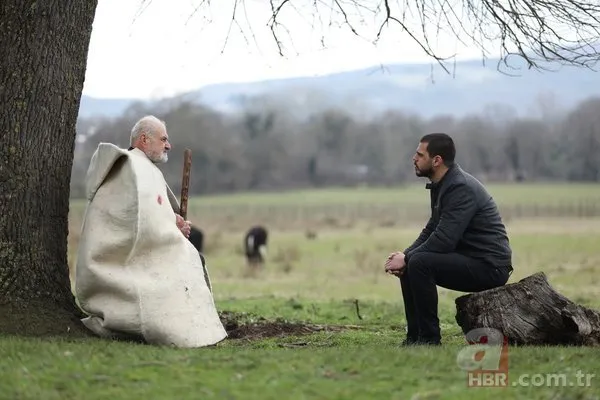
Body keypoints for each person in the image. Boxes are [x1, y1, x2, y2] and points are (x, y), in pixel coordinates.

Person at [74, 115, 227, 348]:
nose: (168, 145)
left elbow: (150, 211)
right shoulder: (132, 167)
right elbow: (132, 219)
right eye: (163, 139)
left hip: (139, 252)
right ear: (144, 139)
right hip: (119, 261)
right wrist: (171, 227)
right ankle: (179, 330)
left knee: (191, 261)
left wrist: (172, 220)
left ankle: (191, 327)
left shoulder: (146, 169)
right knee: (184, 262)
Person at [384, 133, 513, 346]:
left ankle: (429, 339)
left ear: (437, 160)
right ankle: (414, 338)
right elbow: (431, 230)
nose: (413, 159)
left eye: (419, 154)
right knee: (414, 261)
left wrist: (408, 259)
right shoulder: (442, 184)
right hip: (470, 259)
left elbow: (444, 241)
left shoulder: (460, 187)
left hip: (490, 267)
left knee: (419, 262)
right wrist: (404, 255)